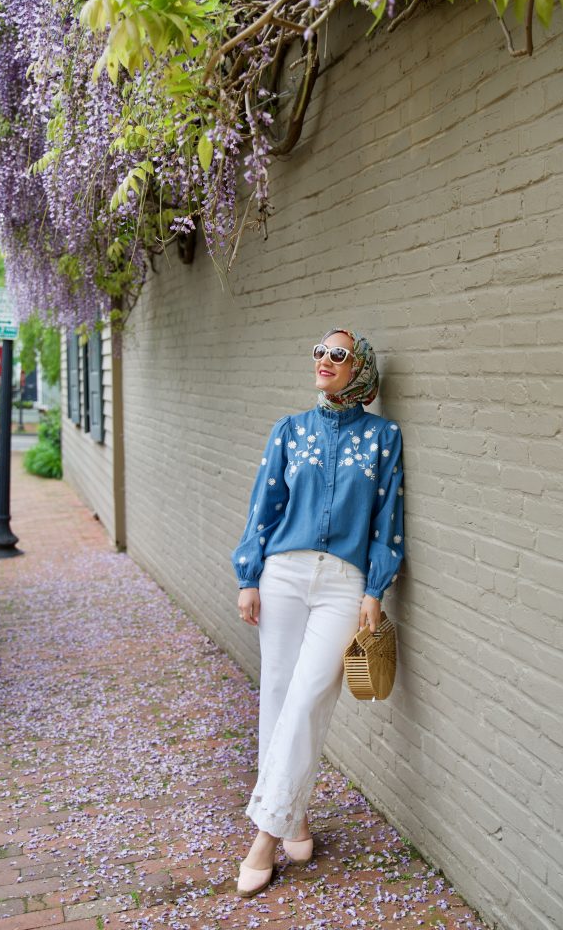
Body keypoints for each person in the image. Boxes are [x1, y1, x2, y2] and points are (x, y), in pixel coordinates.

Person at [231, 327, 405, 897]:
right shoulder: (290, 429)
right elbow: (264, 505)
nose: (324, 361)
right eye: (319, 352)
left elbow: (387, 519)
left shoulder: (384, 437)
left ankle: (264, 837)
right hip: (282, 575)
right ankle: (294, 815)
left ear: (361, 369)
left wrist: (375, 591)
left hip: (343, 585)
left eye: (338, 354)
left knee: (308, 700)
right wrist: (249, 575)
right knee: (279, 697)